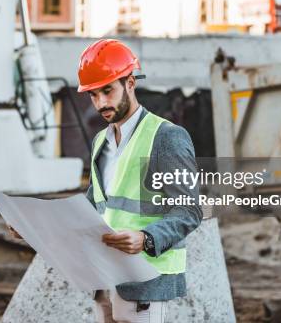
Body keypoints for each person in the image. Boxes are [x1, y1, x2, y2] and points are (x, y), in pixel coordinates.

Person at [78, 39, 203, 323]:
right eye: (93, 95)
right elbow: (92, 207)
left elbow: (190, 210)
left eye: (107, 91)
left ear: (130, 83)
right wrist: (37, 226)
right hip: (104, 277)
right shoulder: (101, 141)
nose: (101, 103)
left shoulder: (166, 137)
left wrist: (146, 239)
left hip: (145, 281)